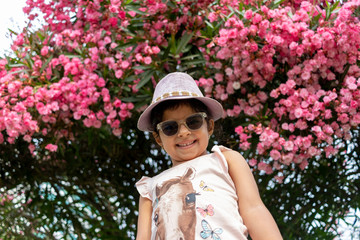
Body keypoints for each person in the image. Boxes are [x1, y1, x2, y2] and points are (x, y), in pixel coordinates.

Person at [135, 72, 282, 240]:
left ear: (209, 126)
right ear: (158, 138)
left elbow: (253, 209)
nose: (183, 133)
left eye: (193, 122)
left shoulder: (225, 160)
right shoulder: (149, 188)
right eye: (170, 128)